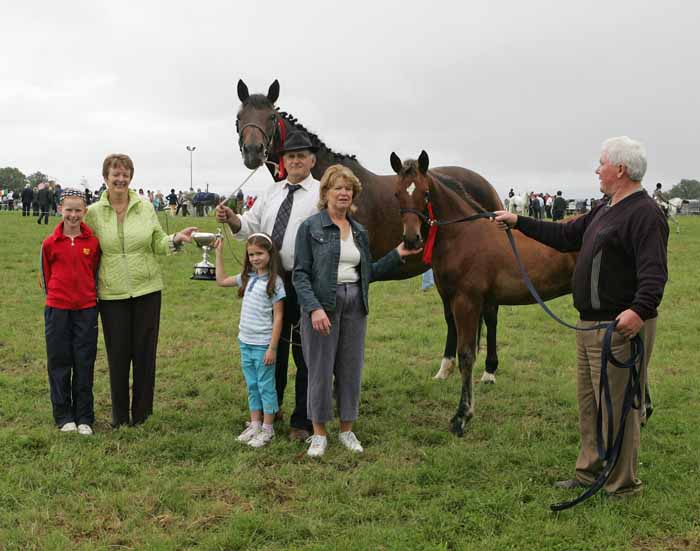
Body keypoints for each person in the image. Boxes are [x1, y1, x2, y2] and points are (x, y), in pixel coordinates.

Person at [493, 136, 668, 498]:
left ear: (620, 169)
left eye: (601, 163)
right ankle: (589, 471)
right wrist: (518, 221)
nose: (596, 169)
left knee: (619, 405)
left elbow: (654, 273)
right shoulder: (606, 207)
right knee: (590, 403)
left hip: (620, 325)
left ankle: (621, 484)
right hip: (589, 324)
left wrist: (638, 311)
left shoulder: (645, 213)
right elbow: (565, 234)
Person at [293, 165, 421, 457]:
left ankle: (347, 430)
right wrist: (314, 309)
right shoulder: (310, 228)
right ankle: (319, 434)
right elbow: (300, 274)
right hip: (323, 305)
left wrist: (397, 255)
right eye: (337, 188)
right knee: (320, 371)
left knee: (351, 369)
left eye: (348, 189)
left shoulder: (359, 232)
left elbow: (368, 272)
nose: (343, 193)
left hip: (355, 304)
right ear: (325, 193)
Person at [216, 131, 320, 441]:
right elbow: (250, 226)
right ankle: (269, 416)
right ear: (283, 161)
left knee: (304, 356)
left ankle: (303, 419)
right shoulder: (271, 192)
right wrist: (233, 217)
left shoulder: (320, 194)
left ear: (313, 160)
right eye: (290, 156)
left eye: (302, 155)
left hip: (303, 282)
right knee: (270, 352)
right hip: (270, 281)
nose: (295, 160)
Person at [85, 154, 197, 427]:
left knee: (145, 354)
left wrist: (175, 240)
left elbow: (157, 241)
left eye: (125, 175)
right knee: (118, 355)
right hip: (112, 294)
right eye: (115, 175)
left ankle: (143, 415)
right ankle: (120, 417)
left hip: (147, 290)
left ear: (130, 178)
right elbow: (84, 247)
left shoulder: (145, 207)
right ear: (105, 179)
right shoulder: (93, 213)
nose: (120, 179)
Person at [215, 233, 285, 448]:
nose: (255, 258)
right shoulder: (247, 277)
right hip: (245, 341)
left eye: (259, 254)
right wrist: (218, 253)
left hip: (263, 345)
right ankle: (255, 424)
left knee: (266, 386)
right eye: (251, 254)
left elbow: (279, 316)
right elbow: (221, 280)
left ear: (269, 254)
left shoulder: (275, 282)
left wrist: (272, 348)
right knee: (252, 385)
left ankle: (267, 429)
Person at [40, 189, 101, 435]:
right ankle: (64, 415)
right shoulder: (49, 243)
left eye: (78, 210)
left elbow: (95, 272)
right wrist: (56, 300)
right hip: (57, 309)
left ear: (85, 212)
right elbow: (46, 275)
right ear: (60, 210)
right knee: (59, 362)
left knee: (84, 362)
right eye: (69, 210)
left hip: (86, 309)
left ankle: (84, 416)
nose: (73, 215)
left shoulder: (93, 243)